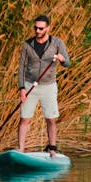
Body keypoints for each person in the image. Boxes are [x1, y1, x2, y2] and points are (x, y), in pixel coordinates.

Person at [17, 15, 70, 157]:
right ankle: (21, 149)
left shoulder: (57, 43)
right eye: (35, 28)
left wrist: (62, 59)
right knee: (24, 118)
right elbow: (21, 67)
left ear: (47, 28)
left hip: (49, 86)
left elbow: (67, 63)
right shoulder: (27, 45)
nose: (37, 30)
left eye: (41, 28)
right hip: (30, 86)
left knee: (51, 119)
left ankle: (52, 148)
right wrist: (22, 88)